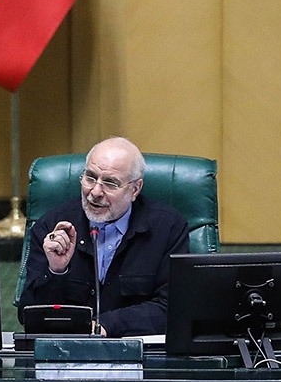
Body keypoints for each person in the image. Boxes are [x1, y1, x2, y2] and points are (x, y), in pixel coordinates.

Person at [17, 137, 189, 337]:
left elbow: (173, 308)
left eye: (110, 183)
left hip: (139, 349)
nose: (96, 191)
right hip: (69, 350)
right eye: (90, 177)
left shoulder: (168, 228)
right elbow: (28, 315)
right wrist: (56, 271)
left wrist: (106, 325)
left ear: (135, 189)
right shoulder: (52, 227)